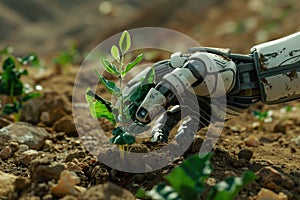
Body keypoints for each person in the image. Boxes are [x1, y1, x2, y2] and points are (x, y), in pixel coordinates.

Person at [124, 32, 300, 143]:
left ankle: (159, 122)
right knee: (201, 82)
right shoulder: (213, 70)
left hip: (239, 97)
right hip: (236, 82)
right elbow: (188, 74)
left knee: (194, 114)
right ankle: (156, 119)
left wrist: (146, 114)